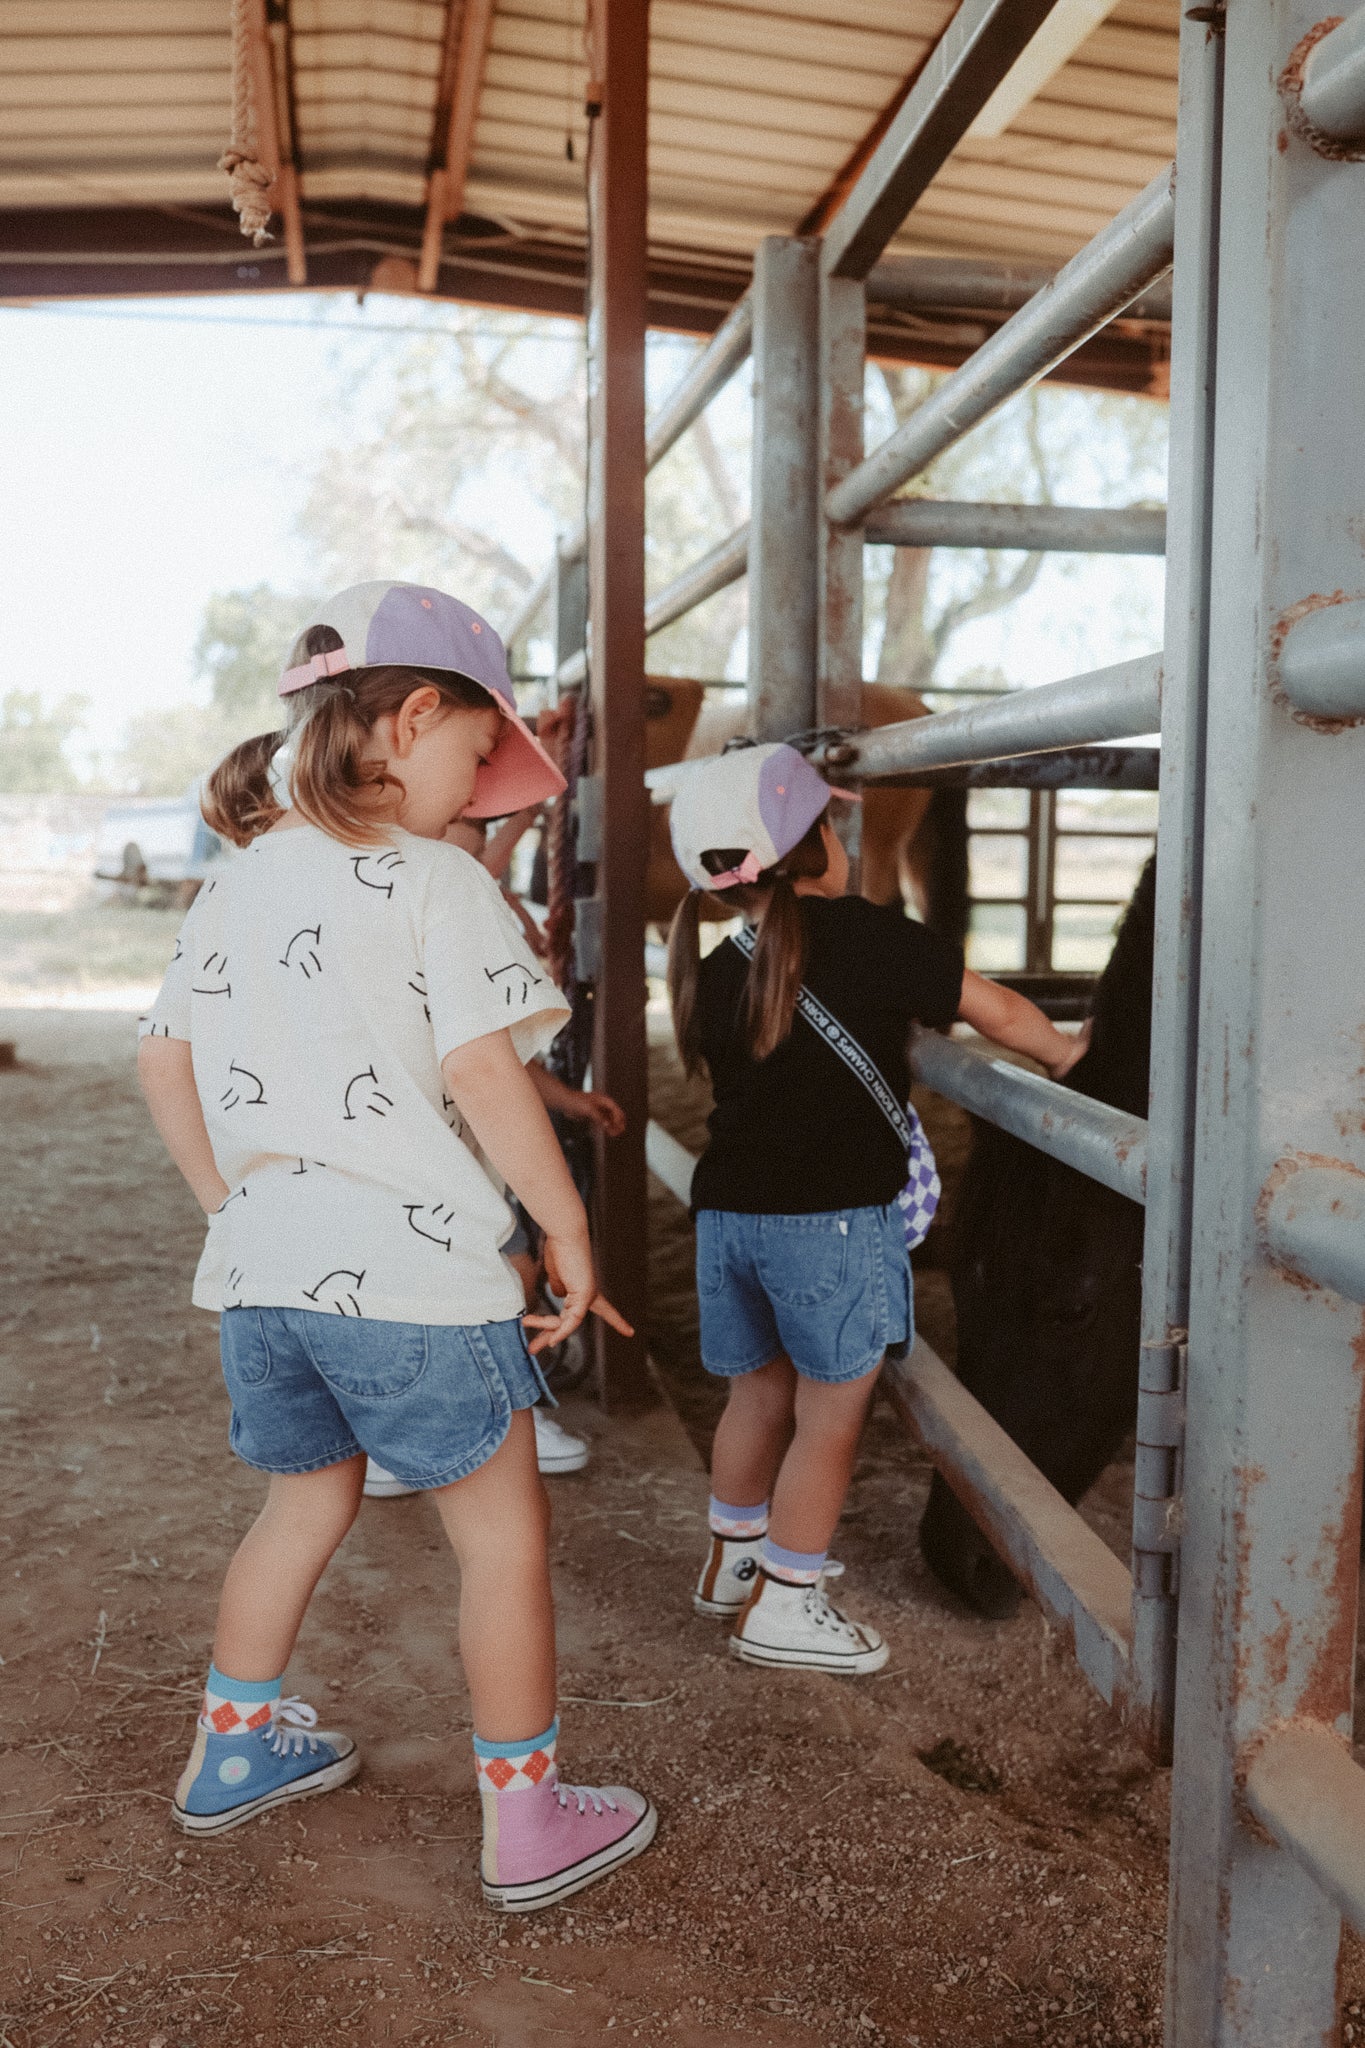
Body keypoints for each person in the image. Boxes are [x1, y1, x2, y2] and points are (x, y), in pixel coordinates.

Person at [137, 580, 656, 1910]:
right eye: (478, 757)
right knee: (499, 1538)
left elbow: (163, 1067)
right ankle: (528, 1822)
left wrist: (232, 1209)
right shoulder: (435, 884)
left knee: (301, 1501)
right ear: (415, 717)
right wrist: (570, 1224)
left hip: (263, 1277)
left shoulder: (236, 885)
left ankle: (232, 1755)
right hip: (417, 1283)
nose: (478, 792)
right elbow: (484, 1077)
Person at [666, 742, 1088, 1676]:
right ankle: (789, 1600)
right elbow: (997, 1012)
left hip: (727, 1219)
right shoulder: (872, 937)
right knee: (830, 1416)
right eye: (831, 822)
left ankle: (731, 1570)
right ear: (813, 849)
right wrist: (1063, 1054)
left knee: (756, 1393)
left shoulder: (715, 966)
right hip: (830, 1226)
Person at [361, 809, 623, 1495]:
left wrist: (568, 1101)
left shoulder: (375, 903)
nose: (486, 864)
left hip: (422, 1162)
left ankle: (397, 1443)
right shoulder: (439, 895)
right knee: (508, 1270)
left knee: (458, 1278)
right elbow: (485, 1060)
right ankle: (510, 1414)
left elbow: (492, 1049)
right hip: (457, 1166)